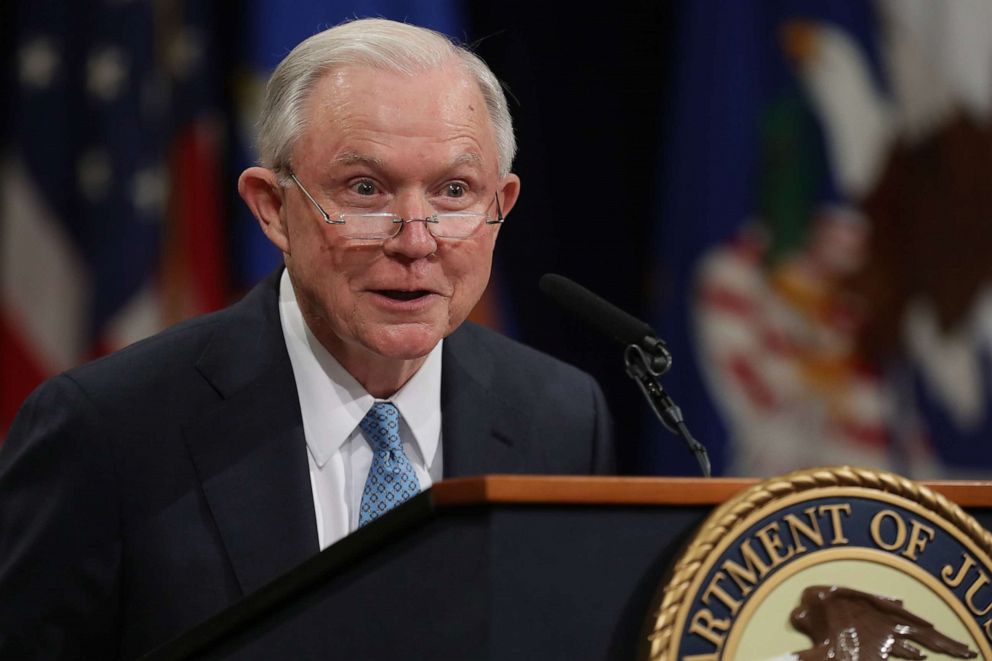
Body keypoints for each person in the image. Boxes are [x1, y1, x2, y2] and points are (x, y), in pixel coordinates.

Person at [0, 18, 615, 659]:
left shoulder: (561, 417)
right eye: (365, 189)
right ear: (272, 208)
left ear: (502, 207)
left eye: (454, 191)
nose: (415, 240)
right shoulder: (110, 431)